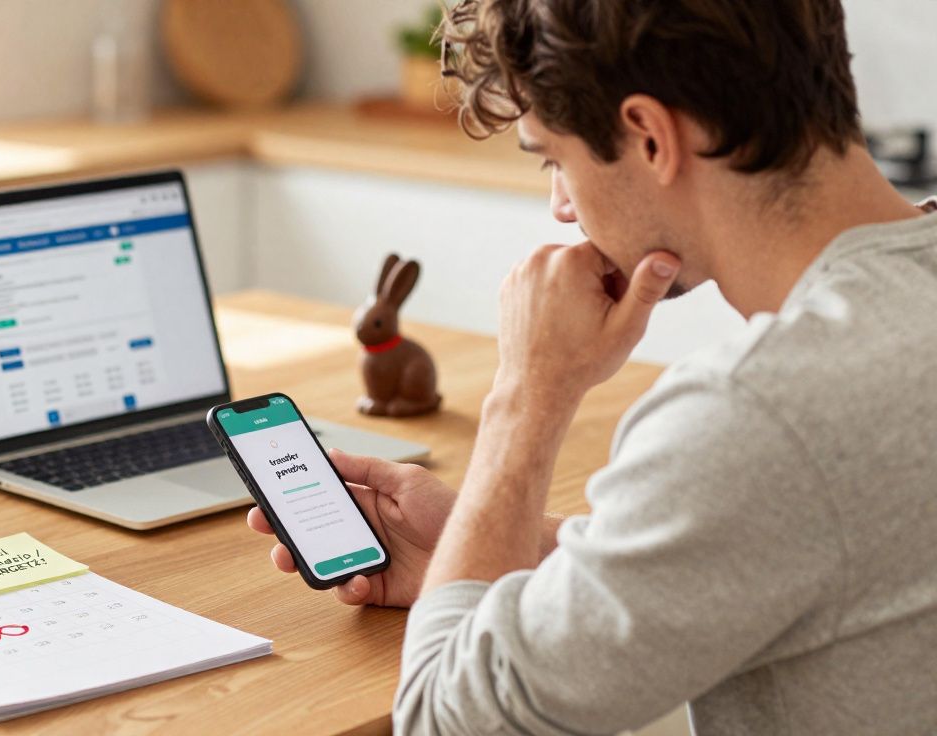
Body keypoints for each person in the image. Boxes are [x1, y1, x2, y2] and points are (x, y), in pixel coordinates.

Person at [246, 0, 937, 733]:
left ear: (648, 137)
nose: (561, 208)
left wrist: (525, 396)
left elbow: (442, 722)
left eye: (554, 158)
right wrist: (503, 548)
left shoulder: (760, 411)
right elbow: (792, 531)